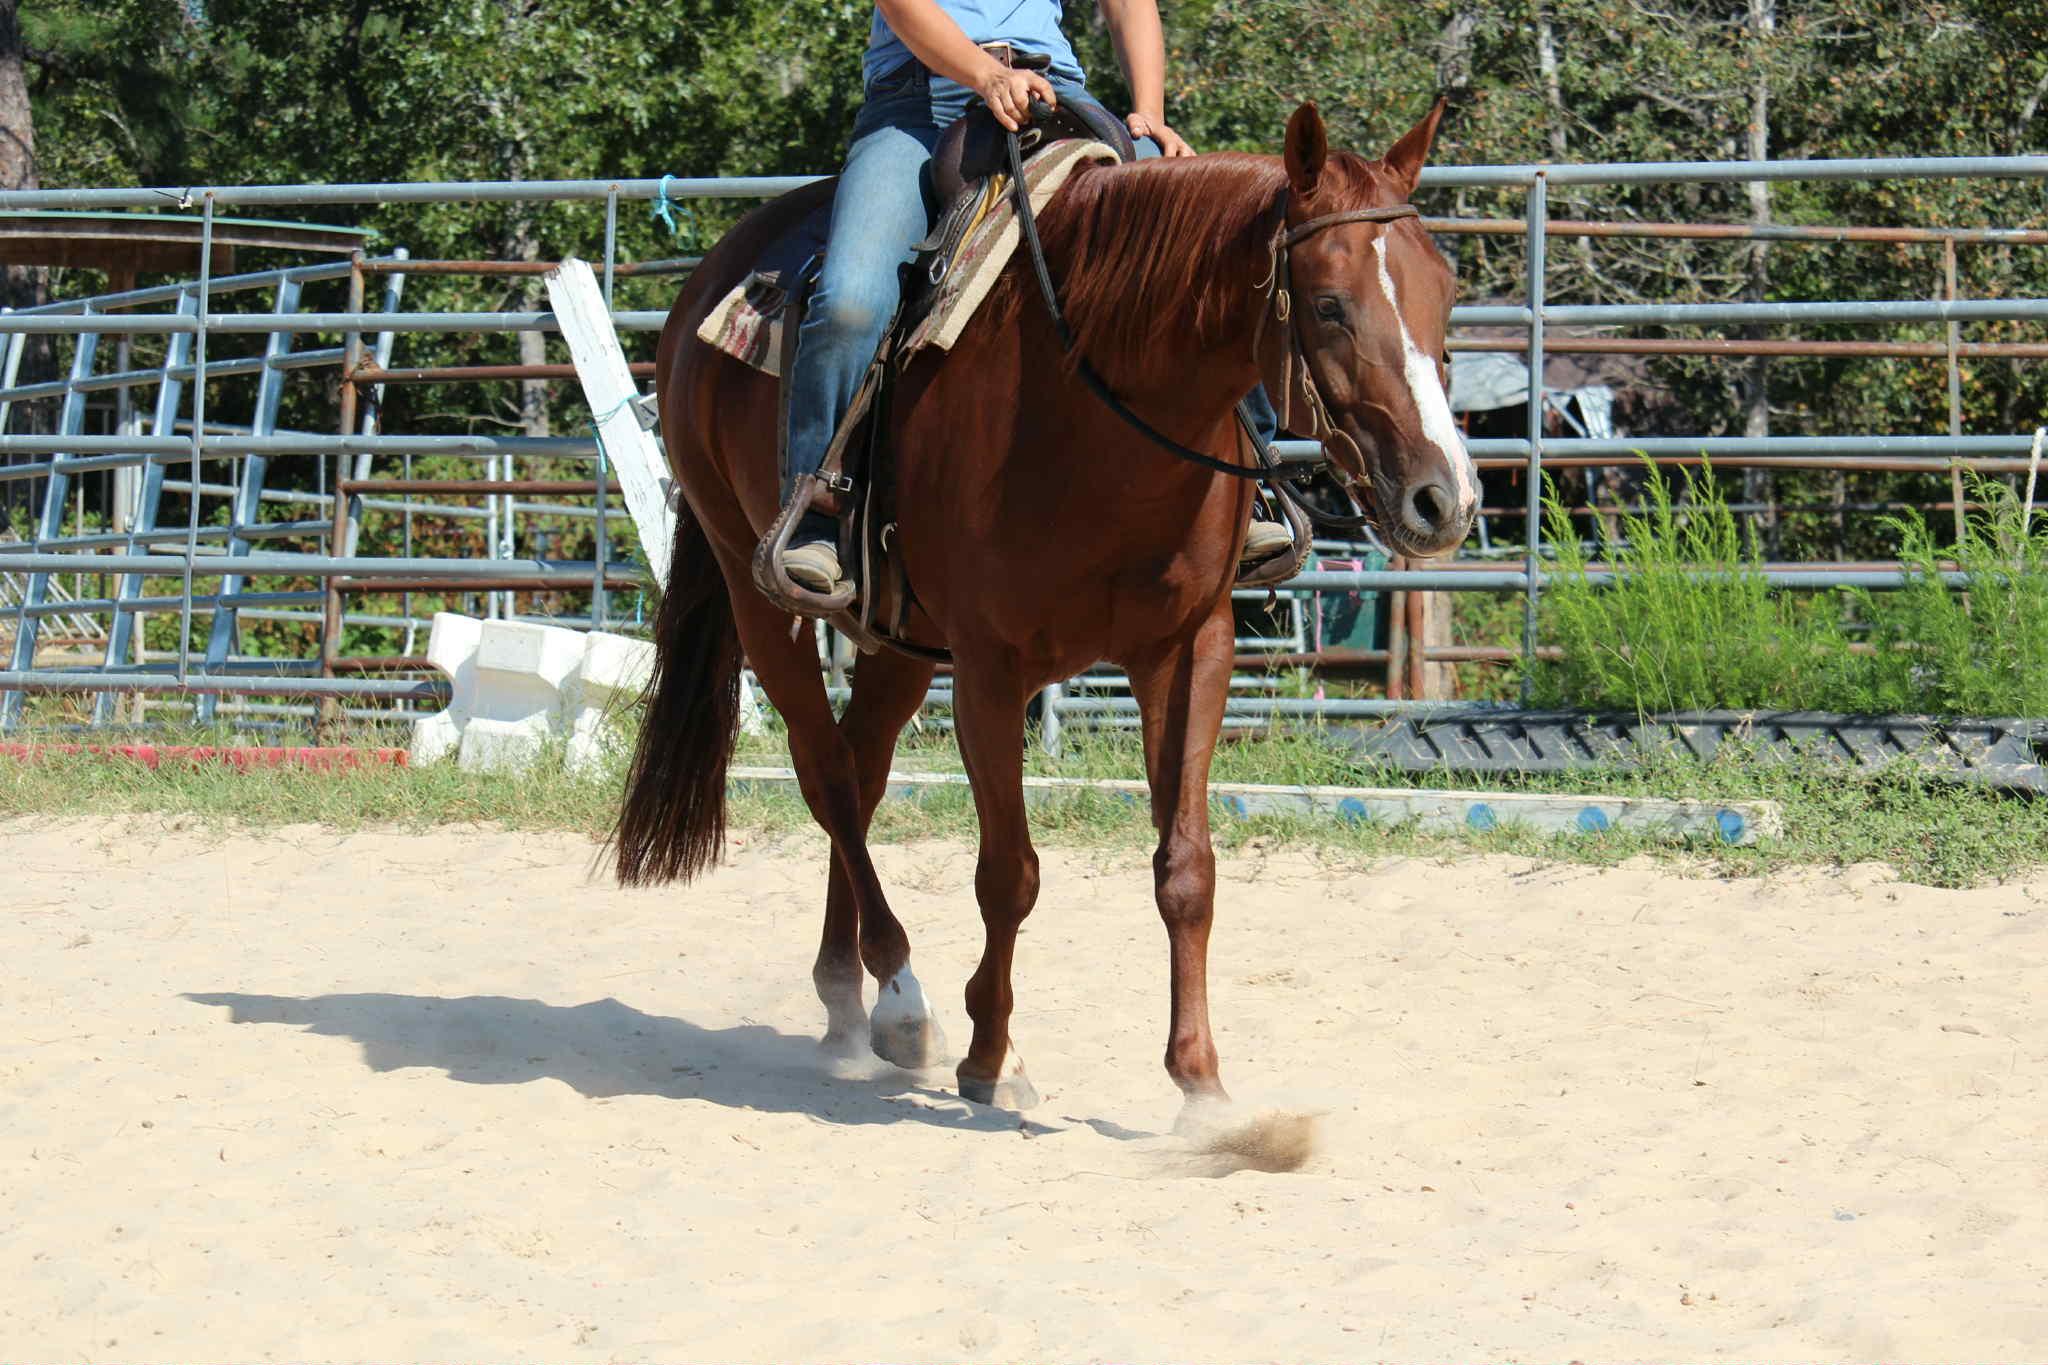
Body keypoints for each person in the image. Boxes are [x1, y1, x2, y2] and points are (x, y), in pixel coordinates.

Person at [775, 0, 1294, 598]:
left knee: (1207, 245)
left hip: (1056, 98)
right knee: (851, 304)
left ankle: (1247, 490)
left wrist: (1148, 113)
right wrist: (985, 74)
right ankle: (817, 514)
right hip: (918, 107)